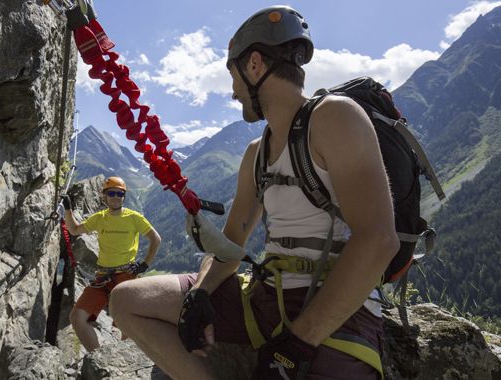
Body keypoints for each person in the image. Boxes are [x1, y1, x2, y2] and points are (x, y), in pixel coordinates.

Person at [109, 5, 399, 380]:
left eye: (233, 74)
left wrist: (300, 340)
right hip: (263, 298)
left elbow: (378, 239)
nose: (233, 91)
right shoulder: (256, 154)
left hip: (336, 308)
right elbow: (232, 244)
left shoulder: (336, 117)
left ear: (255, 65)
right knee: (126, 301)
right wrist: (199, 292)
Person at [62, 176, 161, 352]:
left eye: (120, 193)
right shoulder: (99, 218)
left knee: (125, 324)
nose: (116, 196)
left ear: (124, 196)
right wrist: (68, 209)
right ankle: (98, 359)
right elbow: (74, 230)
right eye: (111, 193)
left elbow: (155, 239)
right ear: (104, 196)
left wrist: (144, 264)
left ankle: (122, 361)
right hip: (103, 277)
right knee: (77, 318)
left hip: (126, 275)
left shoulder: (134, 218)